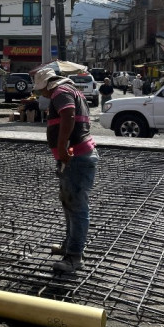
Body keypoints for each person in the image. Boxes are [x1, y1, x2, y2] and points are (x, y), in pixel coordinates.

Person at [32, 64, 99, 273]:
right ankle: (69, 247)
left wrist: (62, 147)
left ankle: (74, 257)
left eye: (41, 90)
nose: (42, 95)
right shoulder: (71, 90)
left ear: (47, 85)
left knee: (76, 208)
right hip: (75, 157)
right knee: (70, 205)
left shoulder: (60, 92)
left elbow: (68, 115)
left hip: (75, 156)